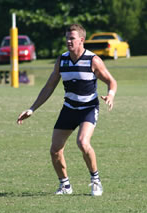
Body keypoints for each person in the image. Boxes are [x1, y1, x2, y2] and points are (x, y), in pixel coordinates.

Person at [16, 24, 117, 196]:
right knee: (55, 149)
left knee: (83, 143)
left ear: (81, 40)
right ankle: (65, 185)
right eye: (67, 38)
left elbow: (111, 81)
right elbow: (49, 87)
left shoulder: (93, 60)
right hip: (69, 108)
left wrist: (110, 95)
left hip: (88, 108)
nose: (68, 41)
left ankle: (95, 181)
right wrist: (32, 109)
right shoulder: (62, 60)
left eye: (72, 38)